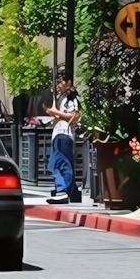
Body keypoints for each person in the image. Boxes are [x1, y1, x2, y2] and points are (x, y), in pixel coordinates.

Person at [45, 67, 80, 204]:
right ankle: (72, 191)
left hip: (64, 134)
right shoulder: (62, 98)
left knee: (60, 162)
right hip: (58, 132)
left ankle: (62, 191)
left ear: (69, 82)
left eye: (61, 82)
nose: (58, 86)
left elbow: (75, 116)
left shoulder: (72, 98)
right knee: (60, 162)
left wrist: (56, 113)